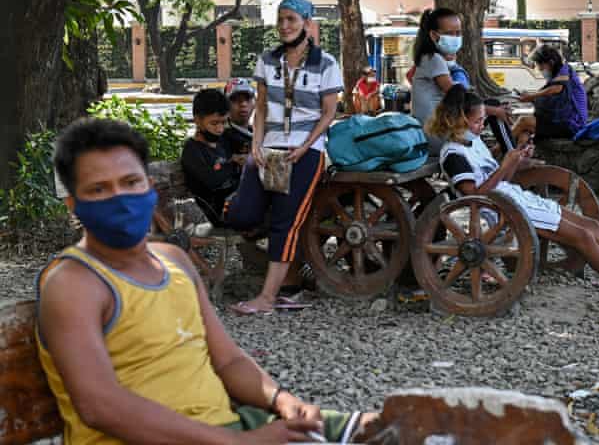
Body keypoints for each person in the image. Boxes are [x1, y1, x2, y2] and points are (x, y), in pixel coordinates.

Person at [39, 118, 373, 444]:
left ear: (150, 189)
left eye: (130, 183)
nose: (120, 197)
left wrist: (284, 401)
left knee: (389, 428)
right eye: (99, 189)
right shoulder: (74, 284)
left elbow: (228, 360)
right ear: (74, 204)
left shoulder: (174, 262)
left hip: (225, 427)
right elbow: (101, 407)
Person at [428, 85, 599, 304]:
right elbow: (476, 196)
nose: (482, 124)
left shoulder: (472, 143)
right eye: (478, 121)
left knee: (591, 225)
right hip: (506, 211)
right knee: (583, 237)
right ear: (459, 120)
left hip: (513, 199)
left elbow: (495, 180)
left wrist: (516, 161)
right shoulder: (454, 154)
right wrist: (506, 166)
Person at [224, 0, 341, 314]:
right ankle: (285, 271)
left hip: (304, 152)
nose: (285, 25)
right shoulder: (267, 60)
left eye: (291, 19)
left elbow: (329, 112)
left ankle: (267, 298)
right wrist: (256, 146)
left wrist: (306, 146)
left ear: (307, 22)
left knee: (285, 224)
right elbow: (260, 107)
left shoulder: (326, 63)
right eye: (281, 19)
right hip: (269, 150)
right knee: (242, 214)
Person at [410, 7, 511, 155]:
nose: (456, 37)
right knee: (494, 107)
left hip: (435, 131)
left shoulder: (432, 59)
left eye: (458, 33)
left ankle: (507, 152)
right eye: (449, 33)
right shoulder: (434, 59)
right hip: (437, 135)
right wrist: (496, 111)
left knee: (489, 108)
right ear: (433, 35)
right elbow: (460, 100)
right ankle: (511, 153)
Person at [180, 89, 241, 226]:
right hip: (213, 213)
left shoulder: (221, 143)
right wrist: (233, 163)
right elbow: (212, 180)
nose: (220, 129)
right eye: (214, 123)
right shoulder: (192, 149)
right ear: (197, 120)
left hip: (232, 203)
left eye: (223, 122)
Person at [513, 45, 586, 145]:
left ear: (551, 63)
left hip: (573, 125)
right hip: (564, 121)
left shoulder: (565, 73)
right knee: (524, 131)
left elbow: (557, 88)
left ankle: (496, 150)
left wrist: (531, 97)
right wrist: (531, 97)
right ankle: (517, 156)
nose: (540, 70)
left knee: (523, 121)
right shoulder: (558, 74)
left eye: (541, 67)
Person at [222, 77, 255, 157]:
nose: (243, 104)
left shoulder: (259, 133)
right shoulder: (222, 137)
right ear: (226, 105)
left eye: (247, 99)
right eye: (236, 99)